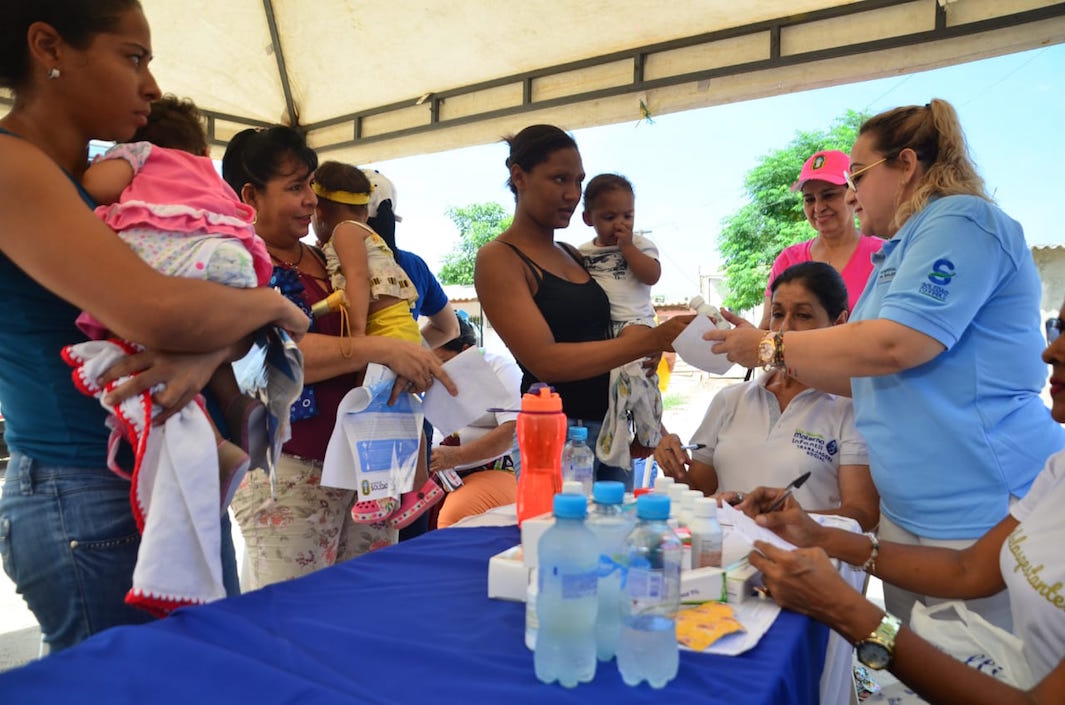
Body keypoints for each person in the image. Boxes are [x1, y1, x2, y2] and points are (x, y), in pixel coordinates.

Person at [0, 0, 309, 651]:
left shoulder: (104, 186)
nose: (152, 86)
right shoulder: (10, 165)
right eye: (133, 57)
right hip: (83, 488)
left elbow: (188, 312)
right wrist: (276, 308)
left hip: (156, 473)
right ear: (48, 47)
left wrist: (206, 350)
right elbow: (159, 312)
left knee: (202, 674)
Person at [706, 99, 1065, 628]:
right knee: (921, 661)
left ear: (906, 165)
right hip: (911, 505)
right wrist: (772, 357)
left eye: (857, 176)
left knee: (987, 662)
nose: (851, 194)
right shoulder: (897, 250)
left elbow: (897, 346)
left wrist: (769, 347)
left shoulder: (963, 219)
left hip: (978, 494)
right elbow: (862, 374)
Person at [740, 299, 1065, 704]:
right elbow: (969, 570)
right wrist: (820, 535)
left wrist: (845, 609)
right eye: (1060, 328)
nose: (1050, 351)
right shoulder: (1058, 471)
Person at [222, 127, 455, 589]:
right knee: (295, 622)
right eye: (295, 188)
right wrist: (380, 348)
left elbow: (394, 321)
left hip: (368, 466)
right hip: (288, 469)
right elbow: (270, 360)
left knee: (364, 611)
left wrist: (406, 357)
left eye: (310, 184)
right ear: (251, 195)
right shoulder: (234, 264)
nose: (312, 200)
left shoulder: (332, 258)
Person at [77, 94, 275, 511]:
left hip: (168, 256)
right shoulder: (207, 169)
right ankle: (236, 401)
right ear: (203, 149)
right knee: (204, 343)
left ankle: (217, 445)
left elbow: (96, 186)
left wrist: (111, 161)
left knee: (140, 343)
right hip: (230, 259)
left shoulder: (141, 153)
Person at [473, 124, 688, 491]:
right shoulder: (500, 259)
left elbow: (614, 333)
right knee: (563, 544)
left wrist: (653, 423)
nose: (572, 194)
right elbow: (546, 360)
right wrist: (651, 339)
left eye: (578, 182)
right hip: (554, 434)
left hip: (612, 432)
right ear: (518, 176)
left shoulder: (575, 254)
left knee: (612, 543)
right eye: (559, 179)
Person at [656, 262, 878, 530]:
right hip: (730, 563)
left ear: (839, 323)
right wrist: (674, 468)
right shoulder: (730, 400)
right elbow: (700, 494)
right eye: (777, 314)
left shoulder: (851, 406)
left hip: (805, 565)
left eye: (803, 315)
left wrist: (774, 518)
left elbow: (862, 515)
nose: (784, 328)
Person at [310, 160, 443, 529]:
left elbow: (355, 279)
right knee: (399, 408)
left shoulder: (345, 233)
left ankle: (381, 491)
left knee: (371, 408)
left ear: (320, 209)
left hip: (383, 330)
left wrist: (356, 338)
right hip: (398, 329)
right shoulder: (367, 232)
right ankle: (418, 486)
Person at [578, 173, 663, 468]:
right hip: (604, 328)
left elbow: (651, 275)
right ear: (589, 218)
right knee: (616, 386)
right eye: (609, 216)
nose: (620, 223)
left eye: (628, 215)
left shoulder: (641, 245)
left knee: (639, 374)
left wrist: (628, 249)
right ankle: (615, 435)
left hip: (636, 321)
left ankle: (648, 434)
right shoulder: (582, 253)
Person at [757, 150, 884, 329]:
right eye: (809, 199)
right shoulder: (788, 259)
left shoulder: (885, 256)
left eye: (829, 195)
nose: (818, 207)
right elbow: (767, 330)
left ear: (852, 193)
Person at [428, 312, 521, 527]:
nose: (438, 373)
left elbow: (514, 430)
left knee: (455, 512)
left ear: (466, 351)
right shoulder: (436, 378)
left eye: (442, 362)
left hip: (498, 470)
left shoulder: (500, 368)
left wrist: (457, 456)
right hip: (448, 471)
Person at [362, 168, 460, 349]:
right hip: (391, 376)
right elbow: (449, 328)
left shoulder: (328, 264)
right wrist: (408, 352)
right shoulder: (414, 265)